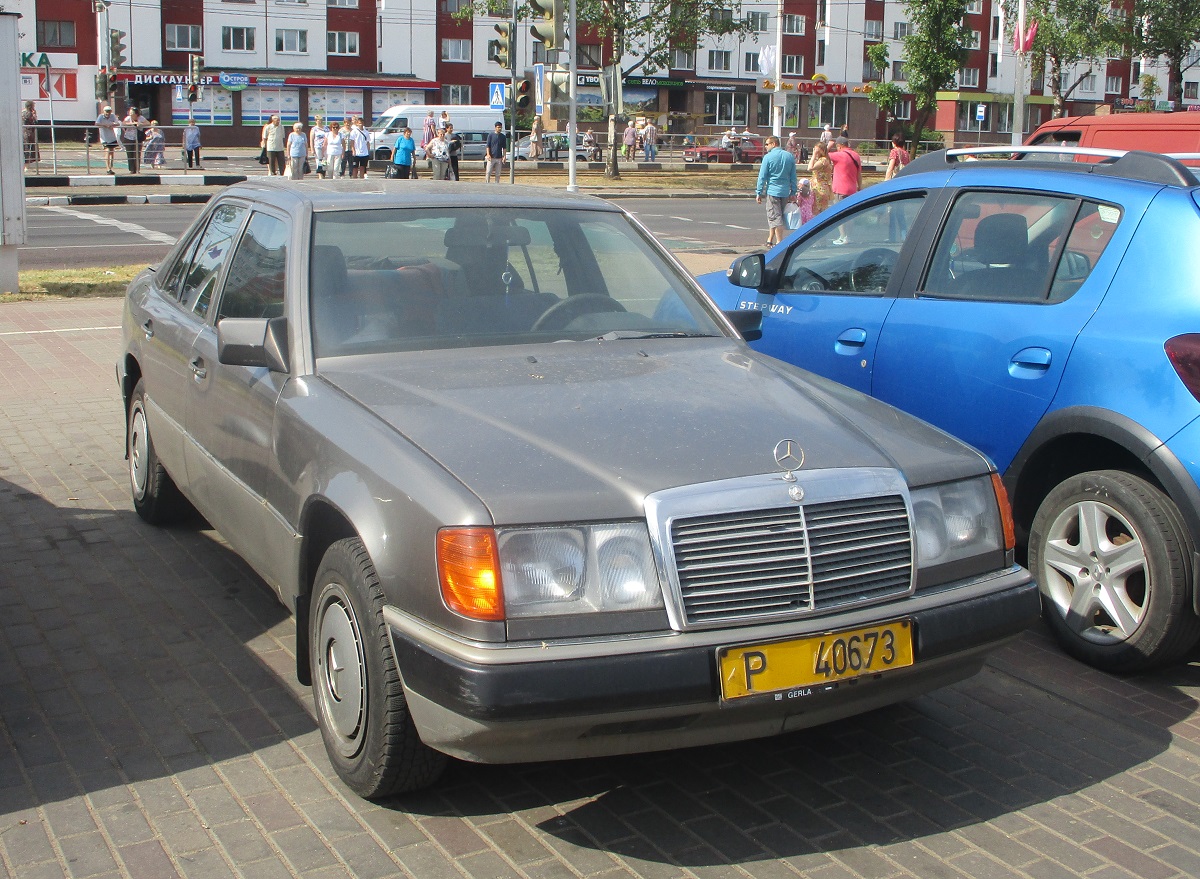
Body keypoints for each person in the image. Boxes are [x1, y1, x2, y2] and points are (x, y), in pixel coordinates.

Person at [755, 135, 798, 248]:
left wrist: (759, 192)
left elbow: (762, 176)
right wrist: (793, 192)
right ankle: (770, 239)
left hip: (773, 191)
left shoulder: (768, 157)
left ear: (774, 144)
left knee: (775, 217)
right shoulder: (789, 156)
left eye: (767, 144)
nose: (766, 146)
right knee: (776, 216)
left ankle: (779, 242)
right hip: (785, 192)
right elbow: (793, 176)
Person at [828, 135, 862, 204]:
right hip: (852, 190)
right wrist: (859, 187)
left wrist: (828, 147)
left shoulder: (838, 155)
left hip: (840, 191)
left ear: (839, 146)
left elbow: (822, 154)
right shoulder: (856, 156)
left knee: (838, 212)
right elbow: (859, 174)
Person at [808, 140, 834, 215]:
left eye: (817, 151)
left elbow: (810, 168)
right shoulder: (823, 159)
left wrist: (813, 155)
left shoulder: (823, 160)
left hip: (820, 188)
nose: (815, 152)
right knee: (818, 209)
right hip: (818, 187)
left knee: (818, 210)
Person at [95, 105, 119, 173]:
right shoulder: (100, 116)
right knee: (107, 151)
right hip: (104, 138)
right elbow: (96, 123)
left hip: (112, 137)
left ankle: (110, 167)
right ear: (103, 111)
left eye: (109, 111)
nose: (107, 113)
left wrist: (112, 124)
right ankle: (107, 168)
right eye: (106, 111)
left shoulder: (112, 116)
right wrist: (104, 125)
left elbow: (117, 123)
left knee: (111, 152)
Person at [122, 107, 147, 173]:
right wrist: (131, 124)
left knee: (137, 154)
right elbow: (123, 123)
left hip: (138, 138)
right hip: (128, 138)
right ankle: (132, 169)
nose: (130, 114)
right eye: (129, 113)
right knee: (130, 154)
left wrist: (140, 124)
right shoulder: (128, 118)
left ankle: (137, 169)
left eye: (132, 113)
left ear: (136, 114)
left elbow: (148, 123)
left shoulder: (141, 118)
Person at [22, 100, 39, 167]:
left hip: (23, 132)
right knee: (29, 149)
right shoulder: (30, 114)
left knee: (25, 148)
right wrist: (35, 116)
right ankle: (27, 165)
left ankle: (26, 164)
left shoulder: (22, 112)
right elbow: (35, 123)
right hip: (29, 133)